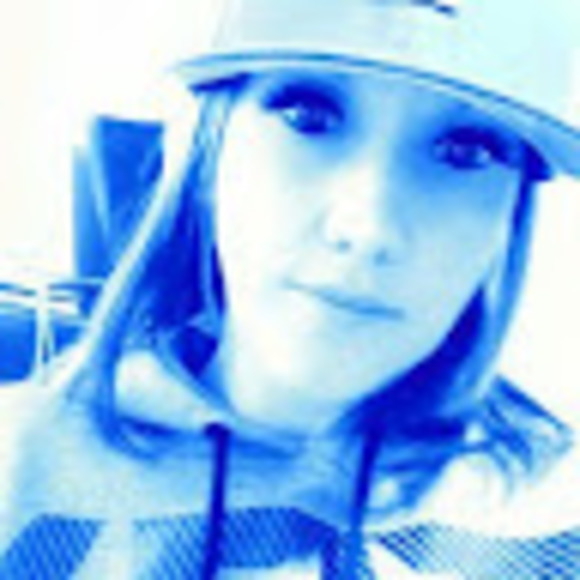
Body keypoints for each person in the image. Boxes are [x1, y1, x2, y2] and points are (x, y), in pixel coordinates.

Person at [1, 0, 579, 577]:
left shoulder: (553, 524)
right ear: (208, 154)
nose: (367, 228)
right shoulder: (20, 462)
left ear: (509, 221)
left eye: (467, 152)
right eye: (308, 116)